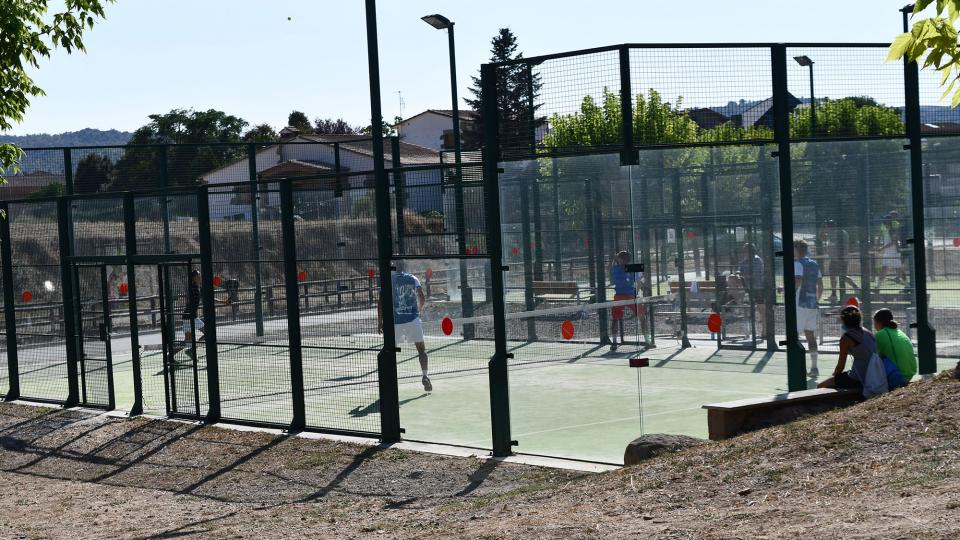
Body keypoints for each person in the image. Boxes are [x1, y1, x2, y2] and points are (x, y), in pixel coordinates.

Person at [378, 268, 431, 391]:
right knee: (421, 350)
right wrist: (418, 310)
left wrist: (380, 322)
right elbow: (422, 298)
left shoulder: (388, 281)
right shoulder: (413, 278)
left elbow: (380, 303)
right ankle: (425, 375)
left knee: (389, 351)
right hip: (412, 320)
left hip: (395, 322)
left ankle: (390, 382)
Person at [818, 305, 877, 391]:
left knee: (820, 386)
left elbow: (840, 367)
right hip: (873, 376)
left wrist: (834, 375)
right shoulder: (869, 333)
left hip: (858, 379)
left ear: (843, 320)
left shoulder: (846, 338)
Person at [181, 269, 230, 361]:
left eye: (199, 275)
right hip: (188, 317)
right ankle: (170, 356)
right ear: (194, 278)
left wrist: (223, 302)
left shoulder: (198, 288)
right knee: (187, 341)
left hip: (193, 317)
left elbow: (208, 297)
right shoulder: (192, 288)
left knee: (207, 333)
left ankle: (191, 350)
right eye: (198, 276)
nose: (200, 277)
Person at [794, 240, 823, 377]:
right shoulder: (814, 264)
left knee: (795, 336)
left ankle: (798, 368)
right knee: (810, 336)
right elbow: (820, 285)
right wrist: (816, 300)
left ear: (797, 249)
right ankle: (814, 368)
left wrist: (788, 290)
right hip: (812, 305)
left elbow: (798, 281)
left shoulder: (798, 264)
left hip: (800, 305)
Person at [609, 250, 644, 352]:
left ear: (622, 259)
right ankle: (614, 342)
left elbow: (640, 279)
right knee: (615, 319)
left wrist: (616, 258)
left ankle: (647, 339)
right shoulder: (621, 268)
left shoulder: (616, 268)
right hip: (622, 296)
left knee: (642, 317)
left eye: (620, 258)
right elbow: (641, 278)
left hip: (628, 296)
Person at [873, 308, 917, 386]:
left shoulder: (880, 335)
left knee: (874, 359)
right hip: (910, 374)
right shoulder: (900, 332)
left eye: (874, 322)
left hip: (899, 376)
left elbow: (873, 358)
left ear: (878, 322)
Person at [822, 220, 857, 303]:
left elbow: (825, 239)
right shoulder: (843, 232)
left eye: (827, 227)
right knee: (842, 276)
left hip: (837, 258)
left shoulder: (834, 233)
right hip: (841, 258)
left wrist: (823, 231)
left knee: (834, 275)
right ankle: (855, 287)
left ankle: (834, 295)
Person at [738, 243, 765, 339]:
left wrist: (745, 275)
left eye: (747, 251)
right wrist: (741, 275)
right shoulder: (744, 261)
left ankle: (764, 332)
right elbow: (740, 272)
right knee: (750, 310)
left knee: (762, 310)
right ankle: (750, 333)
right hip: (748, 289)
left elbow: (755, 275)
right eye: (744, 251)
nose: (745, 253)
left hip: (759, 288)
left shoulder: (757, 260)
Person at [876, 213, 902, 288]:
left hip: (894, 252)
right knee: (884, 268)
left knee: (899, 269)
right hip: (887, 252)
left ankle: (908, 285)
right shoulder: (885, 227)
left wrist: (882, 248)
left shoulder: (893, 230)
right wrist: (878, 246)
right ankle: (878, 287)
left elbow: (893, 242)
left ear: (889, 221)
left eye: (886, 220)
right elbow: (880, 235)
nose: (884, 221)